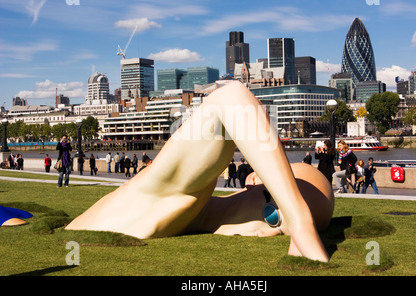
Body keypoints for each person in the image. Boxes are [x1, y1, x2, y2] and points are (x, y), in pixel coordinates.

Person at [66, 81, 332, 263]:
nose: (266, 225)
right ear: (254, 178)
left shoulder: (190, 210)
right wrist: (300, 223)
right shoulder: (176, 189)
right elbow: (232, 96)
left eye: (277, 221)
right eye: (275, 201)